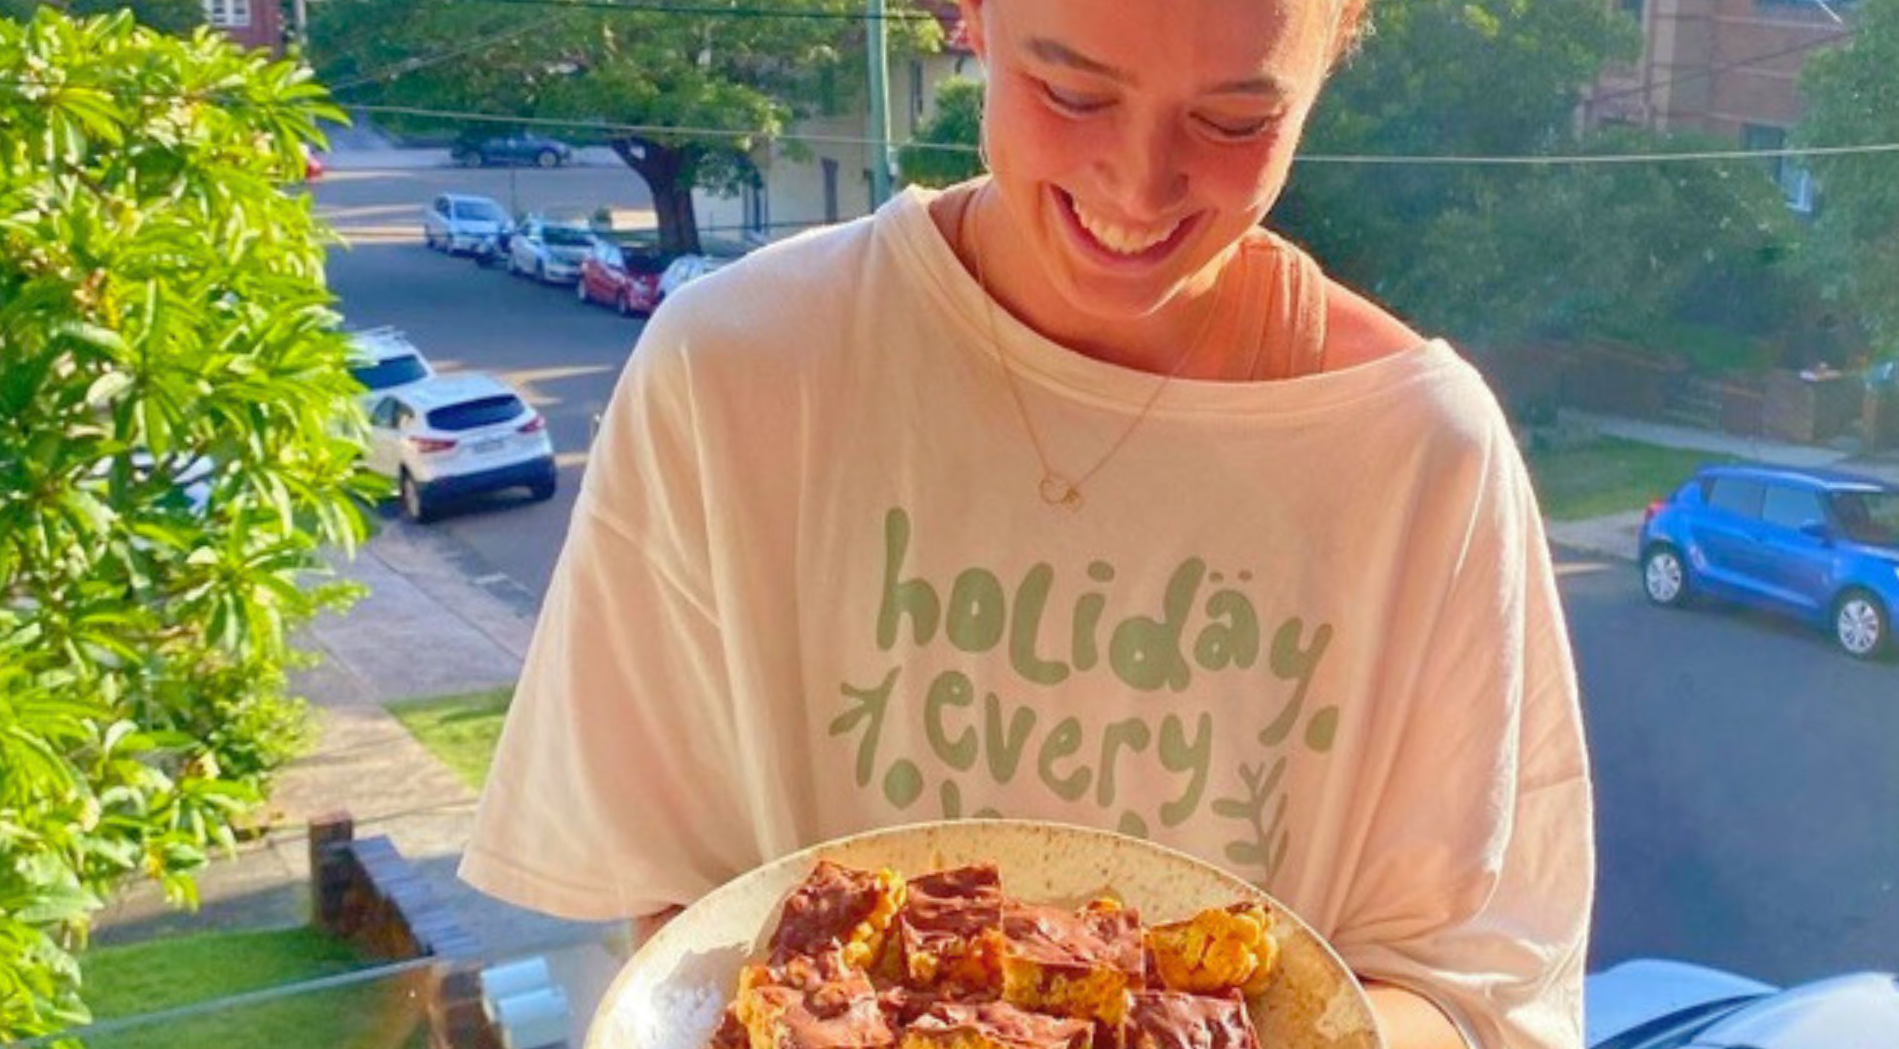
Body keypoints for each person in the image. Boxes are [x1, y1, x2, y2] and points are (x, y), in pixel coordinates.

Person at [460, 1, 1593, 1047]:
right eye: (1073, 92)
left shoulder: (1419, 458)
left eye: (1233, 118)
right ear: (973, 17)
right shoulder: (736, 369)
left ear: (1336, 46)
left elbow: (1471, 994)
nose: (1139, 185)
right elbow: (679, 935)